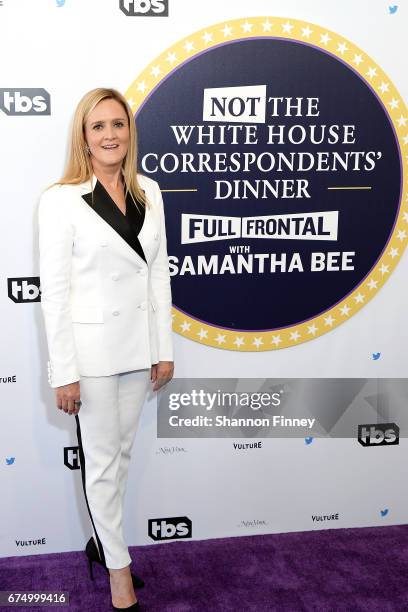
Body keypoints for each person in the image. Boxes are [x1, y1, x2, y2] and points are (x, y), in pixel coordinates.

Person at [38, 87, 174, 611]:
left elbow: (157, 275)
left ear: (129, 132)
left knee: (119, 456)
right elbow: (55, 295)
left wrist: (163, 346)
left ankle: (102, 543)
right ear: (84, 137)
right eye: (99, 126)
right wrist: (63, 372)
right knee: (100, 462)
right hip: (91, 354)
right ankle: (120, 570)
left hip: (138, 349)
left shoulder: (150, 192)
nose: (110, 134)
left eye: (118, 124)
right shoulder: (60, 199)